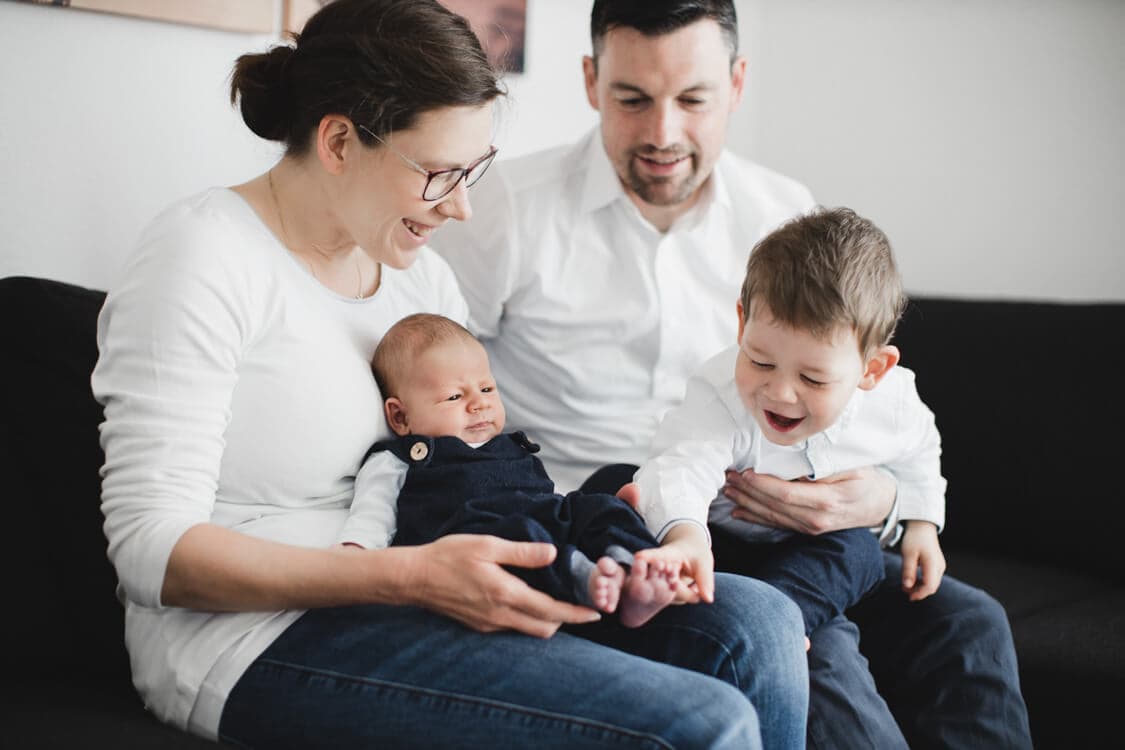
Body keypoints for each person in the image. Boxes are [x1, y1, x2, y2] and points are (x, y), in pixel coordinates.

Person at [91, 1, 809, 747]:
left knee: (759, 623)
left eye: (473, 172)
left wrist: (590, 541)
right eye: (439, 174)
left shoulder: (420, 281)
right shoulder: (204, 256)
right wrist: (409, 576)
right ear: (338, 141)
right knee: (704, 724)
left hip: (425, 585)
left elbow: (475, 466)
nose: (462, 208)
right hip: (256, 635)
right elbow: (150, 550)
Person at [428, 0, 1033, 746]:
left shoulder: (782, 214)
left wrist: (883, 500)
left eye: (693, 100)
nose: (662, 133)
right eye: (632, 99)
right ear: (590, 81)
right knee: (813, 655)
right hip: (621, 530)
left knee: (971, 622)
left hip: (791, 534)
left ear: (737, 84)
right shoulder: (501, 211)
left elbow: (860, 411)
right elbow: (435, 383)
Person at [635, 207, 947, 637]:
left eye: (812, 379)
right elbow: (682, 466)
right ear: (743, 324)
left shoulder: (893, 404)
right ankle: (655, 590)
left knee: (860, 550)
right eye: (761, 361)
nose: (780, 393)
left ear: (872, 370)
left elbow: (920, 449)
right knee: (622, 488)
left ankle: (776, 622)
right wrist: (685, 537)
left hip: (808, 552)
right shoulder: (721, 393)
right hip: (715, 535)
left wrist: (922, 525)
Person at [340, 312, 684, 627]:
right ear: (400, 417)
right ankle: (583, 576)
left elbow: (548, 502)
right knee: (520, 534)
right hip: (475, 543)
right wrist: (356, 553)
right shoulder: (397, 460)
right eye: (454, 397)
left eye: (487, 388)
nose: (480, 403)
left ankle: (633, 568)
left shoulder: (508, 445)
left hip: (540, 518)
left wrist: (580, 515)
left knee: (601, 505)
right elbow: (373, 514)